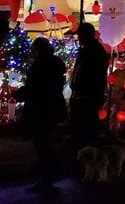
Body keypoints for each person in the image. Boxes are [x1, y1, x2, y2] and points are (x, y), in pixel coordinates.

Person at [13, 37, 67, 194]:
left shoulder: (39, 65)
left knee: (42, 144)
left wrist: (18, 94)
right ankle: (50, 176)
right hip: (53, 107)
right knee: (47, 143)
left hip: (40, 109)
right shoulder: (56, 64)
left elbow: (34, 87)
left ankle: (46, 179)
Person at [69, 23, 108, 153]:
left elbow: (89, 74)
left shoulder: (92, 51)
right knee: (84, 124)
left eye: (80, 35)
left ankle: (86, 152)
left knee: (85, 124)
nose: (79, 38)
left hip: (87, 95)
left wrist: (78, 85)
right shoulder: (90, 50)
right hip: (86, 93)